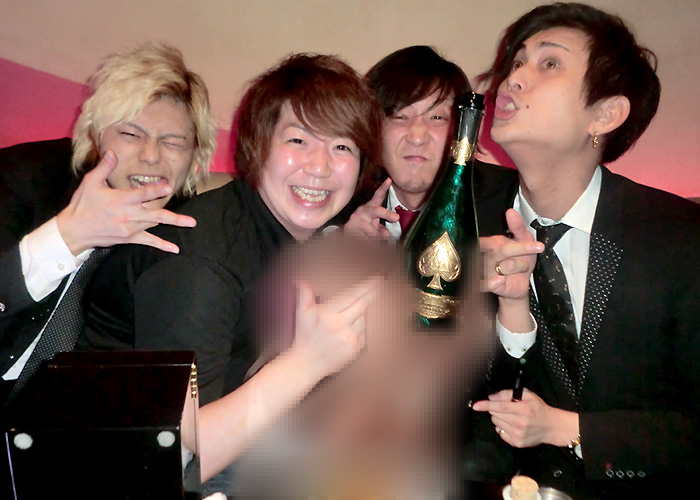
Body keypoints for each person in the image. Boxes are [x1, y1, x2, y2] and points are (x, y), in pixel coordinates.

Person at [78, 53, 384, 497]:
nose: (319, 167)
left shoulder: (288, 231)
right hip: (110, 469)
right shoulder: (200, 266)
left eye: (342, 147)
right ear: (258, 146)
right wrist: (308, 362)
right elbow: (181, 459)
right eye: (298, 140)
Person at [465, 3, 700, 498]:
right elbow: (464, 396)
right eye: (517, 62)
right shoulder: (470, 224)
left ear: (605, 113)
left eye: (549, 63)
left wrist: (570, 430)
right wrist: (511, 316)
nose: (512, 79)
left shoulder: (679, 237)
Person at [0, 43, 216, 404]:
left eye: (172, 142)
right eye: (131, 135)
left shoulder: (190, 233)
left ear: (195, 157)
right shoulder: (22, 177)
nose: (150, 156)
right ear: (97, 136)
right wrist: (66, 237)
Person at [340, 45, 471, 240]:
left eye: (437, 118)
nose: (417, 137)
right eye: (400, 116)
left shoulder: (502, 205)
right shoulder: (340, 209)